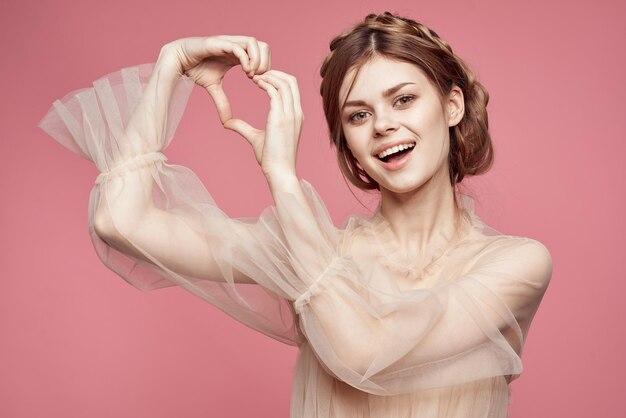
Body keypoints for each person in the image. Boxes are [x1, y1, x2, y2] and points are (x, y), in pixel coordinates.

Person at [39, 11, 552, 418]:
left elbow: (363, 352)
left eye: (404, 99)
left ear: (453, 105)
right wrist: (170, 66)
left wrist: (284, 180)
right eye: (358, 114)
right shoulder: (313, 253)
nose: (383, 126)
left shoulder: (516, 264)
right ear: (347, 144)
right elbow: (120, 222)